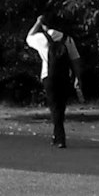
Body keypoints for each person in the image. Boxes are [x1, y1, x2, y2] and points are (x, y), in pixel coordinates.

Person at [27, 14, 76, 149]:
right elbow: (75, 60)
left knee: (54, 106)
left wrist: (37, 22)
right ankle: (57, 135)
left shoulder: (41, 38)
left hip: (49, 76)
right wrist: (77, 77)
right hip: (65, 75)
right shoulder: (67, 39)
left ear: (44, 24)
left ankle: (60, 137)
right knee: (61, 107)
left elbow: (28, 37)